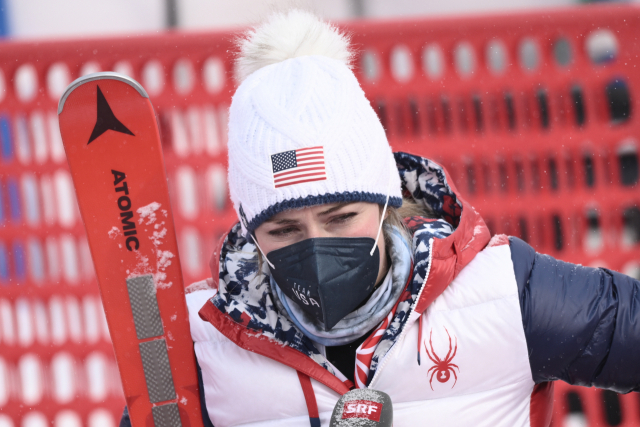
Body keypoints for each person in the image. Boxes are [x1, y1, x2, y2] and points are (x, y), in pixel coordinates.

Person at [121, 9, 640, 427]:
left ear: (383, 199)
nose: (317, 246)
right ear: (248, 231)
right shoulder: (201, 346)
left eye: (340, 216)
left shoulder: (501, 294)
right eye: (283, 229)